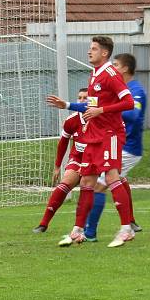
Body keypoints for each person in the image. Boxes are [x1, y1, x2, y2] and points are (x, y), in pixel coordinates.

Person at [46, 35, 136, 248]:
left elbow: (129, 102)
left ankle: (126, 229)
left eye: (94, 49)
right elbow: (91, 107)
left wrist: (101, 110)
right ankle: (78, 231)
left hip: (110, 133)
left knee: (112, 176)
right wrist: (67, 104)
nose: (89, 52)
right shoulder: (94, 75)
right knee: (87, 182)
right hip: (95, 136)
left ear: (104, 53)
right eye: (90, 48)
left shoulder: (110, 73)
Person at [84, 53, 145, 241]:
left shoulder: (136, 90)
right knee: (117, 181)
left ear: (125, 68)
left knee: (101, 185)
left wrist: (106, 110)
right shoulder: (116, 86)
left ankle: (90, 232)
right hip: (111, 141)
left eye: (116, 65)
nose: (113, 68)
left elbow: (133, 115)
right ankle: (130, 222)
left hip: (128, 146)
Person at [32, 87, 88, 233]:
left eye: (85, 98)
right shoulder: (71, 120)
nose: (82, 100)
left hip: (95, 159)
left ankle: (128, 221)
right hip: (77, 158)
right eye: (80, 97)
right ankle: (43, 223)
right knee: (65, 183)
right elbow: (63, 143)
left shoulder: (98, 119)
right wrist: (57, 166)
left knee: (89, 187)